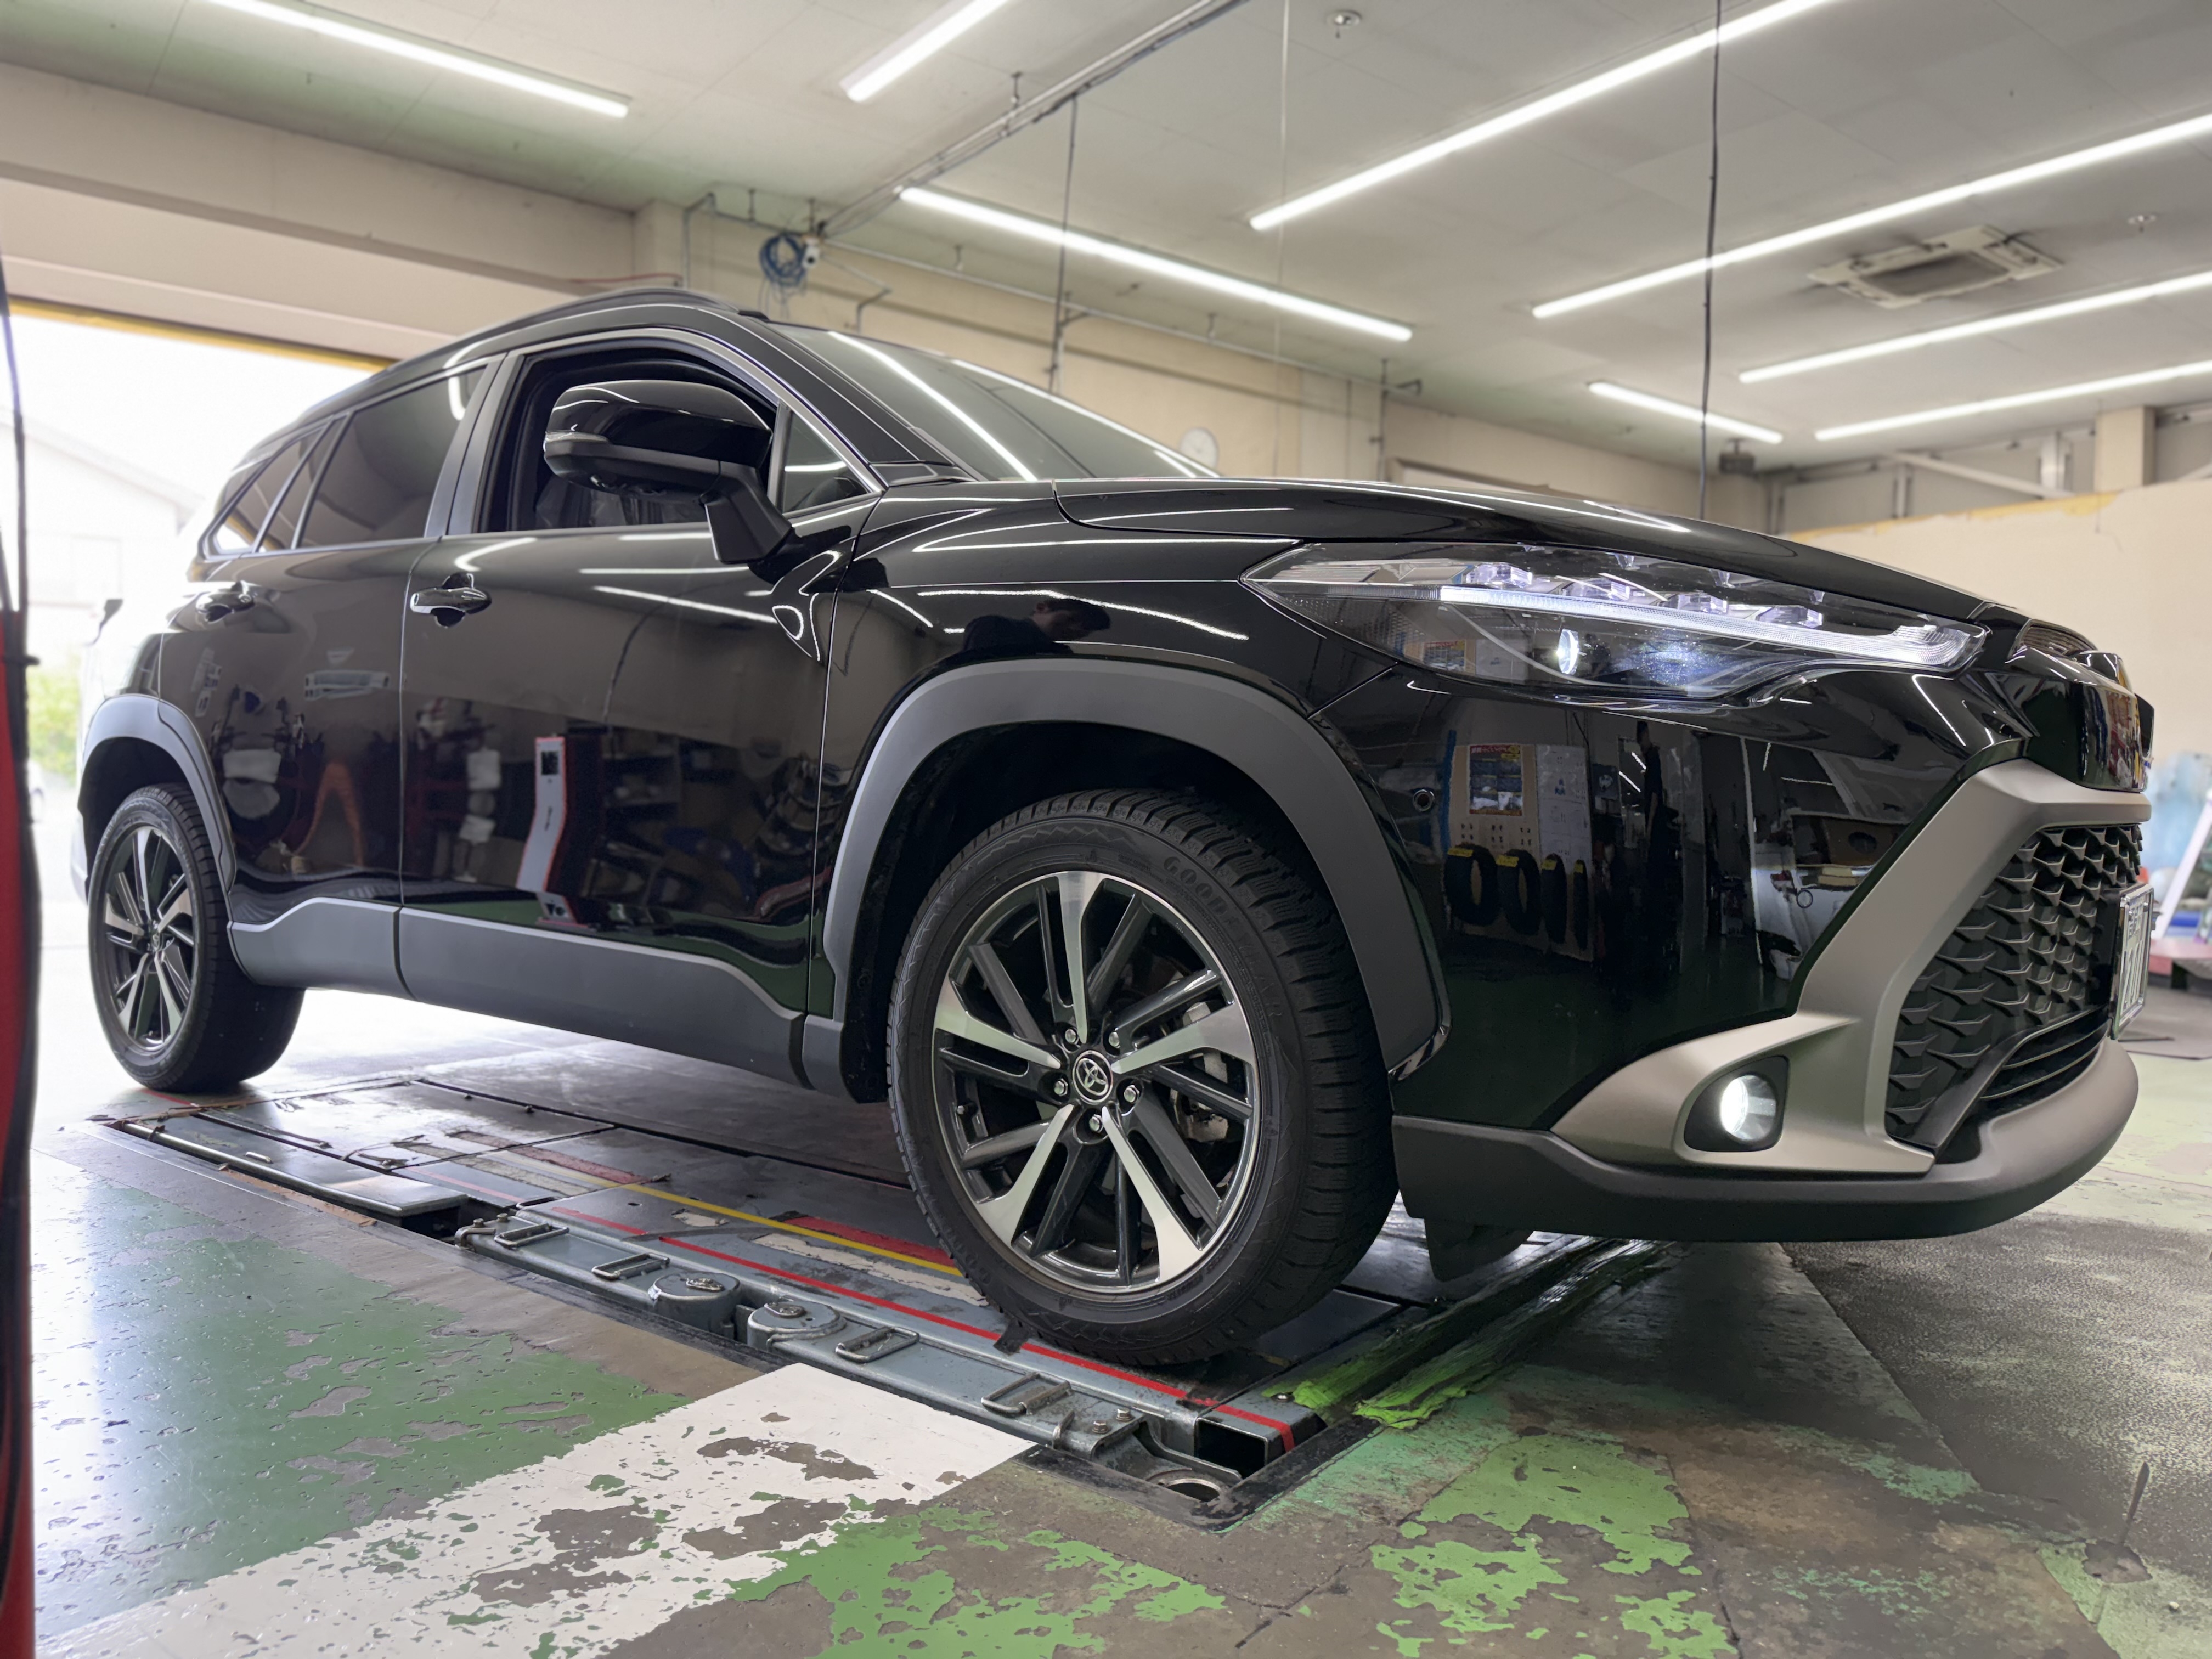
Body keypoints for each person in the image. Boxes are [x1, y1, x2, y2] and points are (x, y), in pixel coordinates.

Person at [955, 597, 1112, 659]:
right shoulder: (994, 626)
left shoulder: (1061, 653)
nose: (1076, 629)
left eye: (1086, 629)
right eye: (1072, 619)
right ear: (1041, 608)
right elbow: (974, 670)